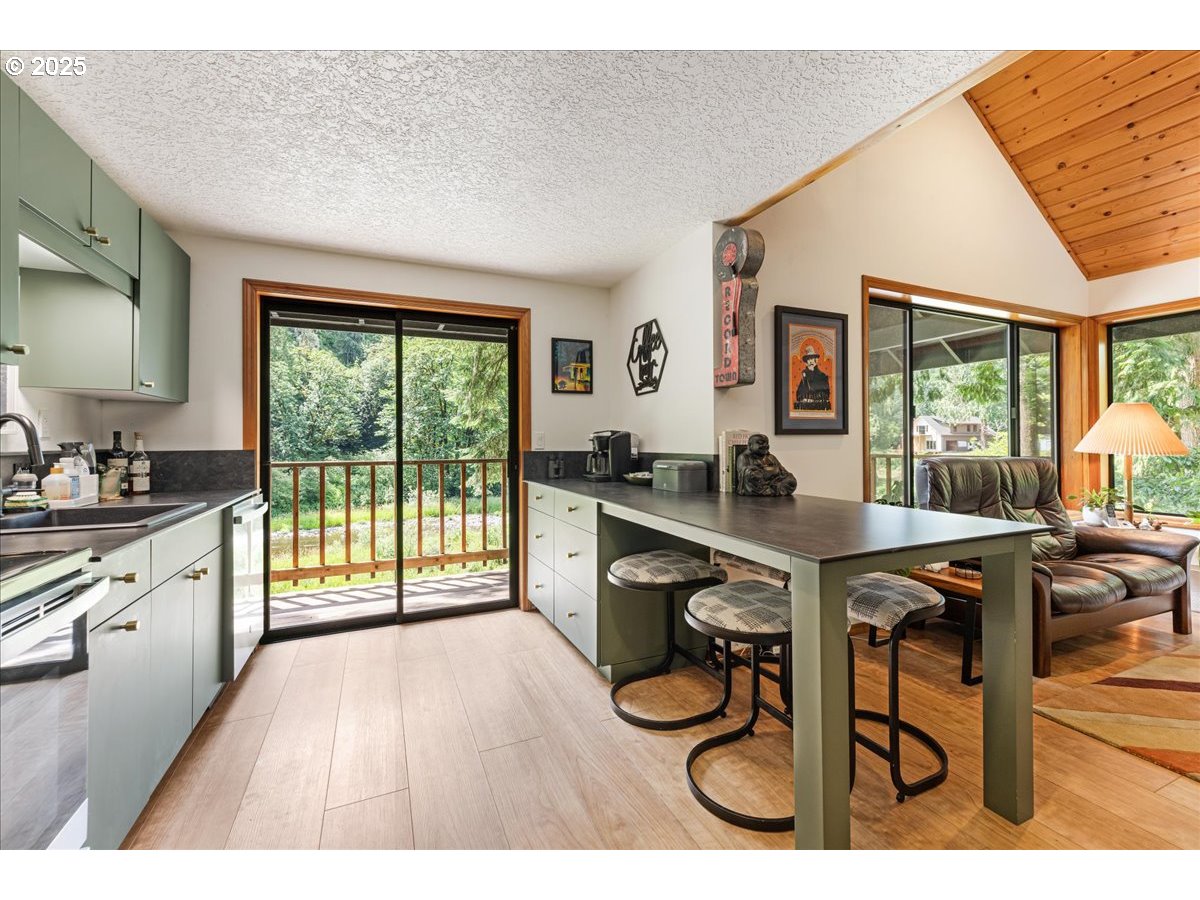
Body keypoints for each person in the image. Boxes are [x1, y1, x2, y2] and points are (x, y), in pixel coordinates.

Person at [794, 345, 831, 411]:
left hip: (820, 407)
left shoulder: (823, 376)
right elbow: (799, 395)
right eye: (809, 359)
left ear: (815, 360)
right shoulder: (804, 376)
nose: (811, 361)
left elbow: (826, 394)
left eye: (812, 358)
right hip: (806, 407)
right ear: (806, 362)